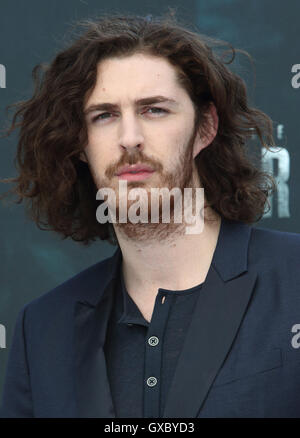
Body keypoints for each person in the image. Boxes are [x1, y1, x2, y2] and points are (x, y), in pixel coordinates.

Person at [0, 12, 299, 418]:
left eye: (154, 110)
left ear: (205, 127)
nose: (129, 138)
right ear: (79, 145)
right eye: (103, 115)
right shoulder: (42, 328)